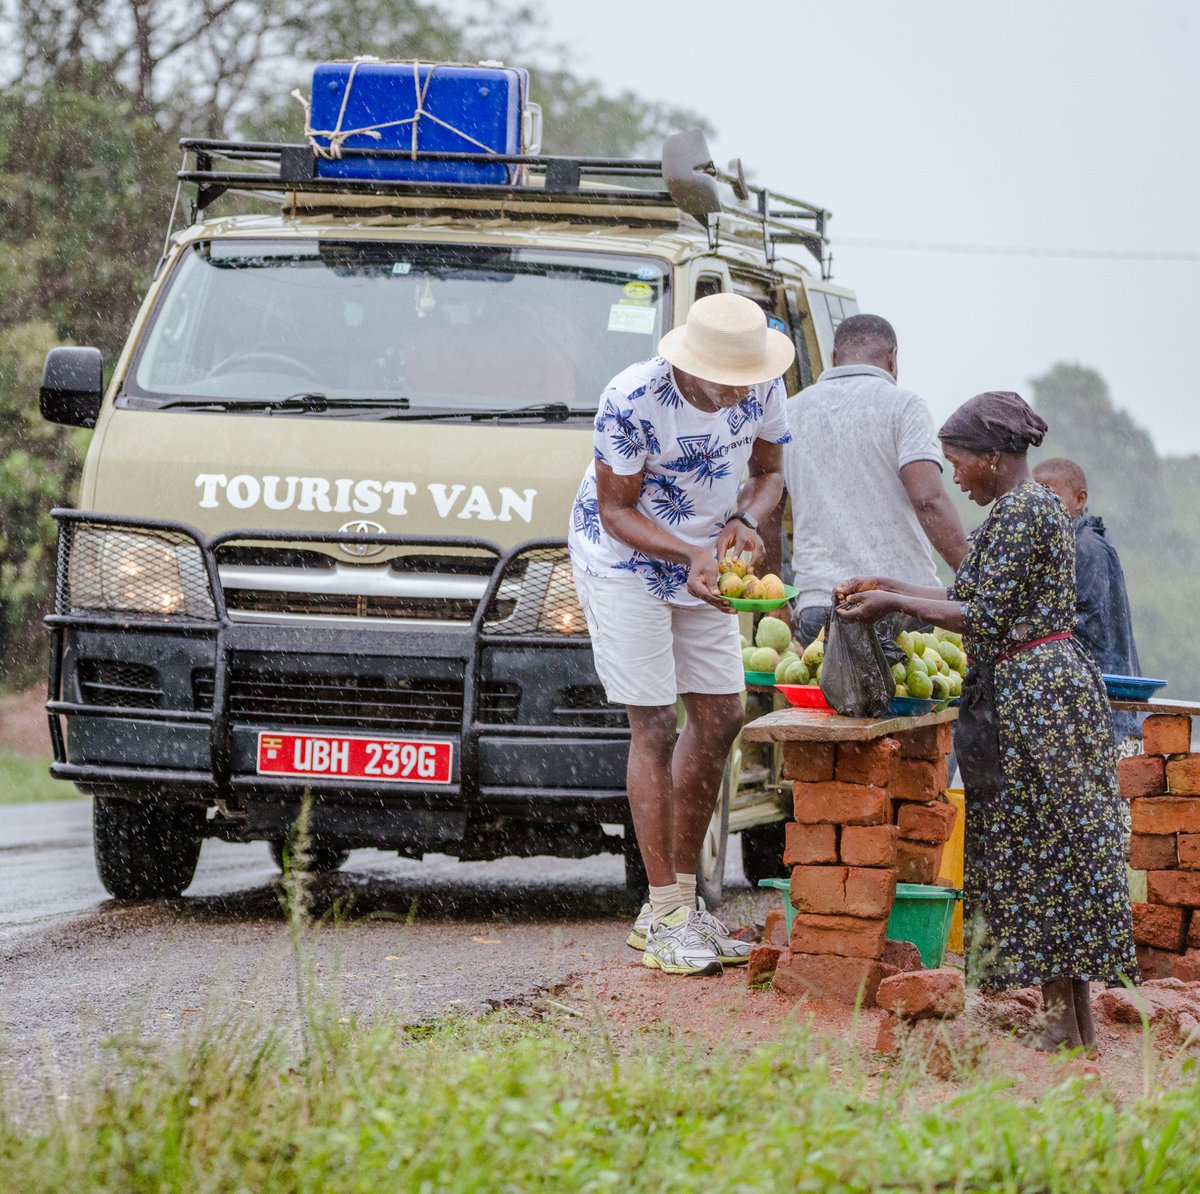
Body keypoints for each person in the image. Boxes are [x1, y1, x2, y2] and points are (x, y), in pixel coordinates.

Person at [835, 391, 1137, 1053]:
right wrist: (885, 587)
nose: (955, 477)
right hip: (1034, 690)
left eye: (958, 463)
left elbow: (983, 615)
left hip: (1034, 699)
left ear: (992, 456)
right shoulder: (1024, 508)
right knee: (1056, 847)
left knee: (1044, 851)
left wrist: (888, 600)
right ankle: (1070, 1020)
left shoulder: (1025, 510)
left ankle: (1065, 1023)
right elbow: (963, 595)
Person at [567, 293, 794, 977]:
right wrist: (689, 556)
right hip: (625, 561)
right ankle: (662, 908)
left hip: (705, 559)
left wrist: (748, 525)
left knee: (723, 716)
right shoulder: (632, 398)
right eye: (726, 382)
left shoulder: (761, 386)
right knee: (655, 725)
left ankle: (684, 906)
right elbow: (616, 511)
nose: (738, 393)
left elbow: (769, 473)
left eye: (747, 380)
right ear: (691, 367)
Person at [769, 313, 968, 645]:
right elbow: (928, 500)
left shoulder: (790, 412)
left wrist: (776, 593)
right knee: (906, 694)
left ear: (834, 358)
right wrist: (973, 571)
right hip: (901, 604)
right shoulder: (905, 406)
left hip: (822, 603)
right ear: (893, 359)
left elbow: (770, 510)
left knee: (828, 697)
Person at [1032, 457, 1142, 746]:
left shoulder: (1087, 549)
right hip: (1087, 702)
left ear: (1080, 499)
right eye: (1035, 495)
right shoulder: (1063, 544)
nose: (1041, 504)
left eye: (1050, 493)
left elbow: (1086, 627)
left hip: (1107, 704)